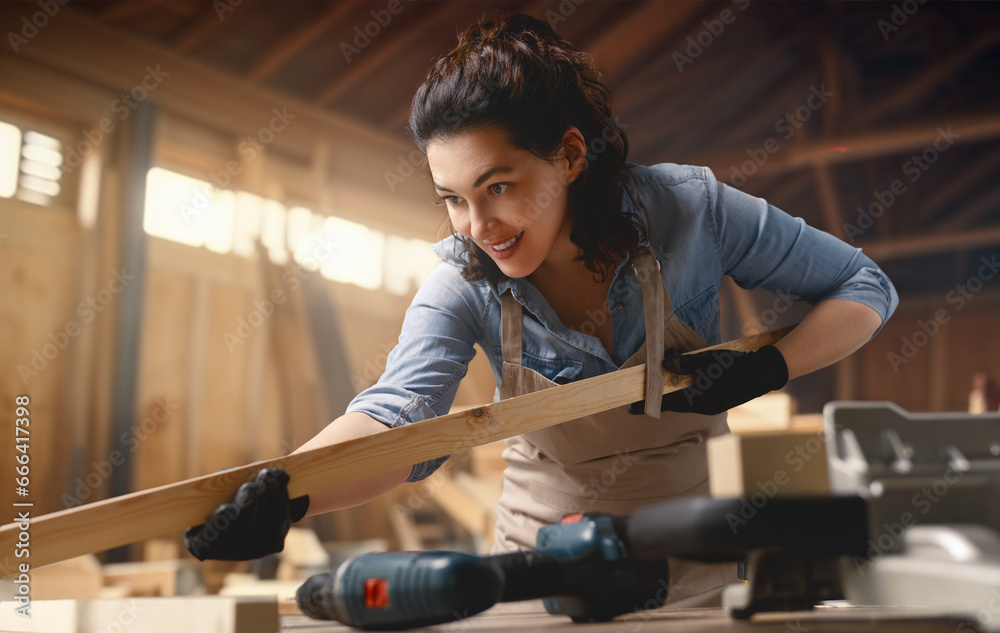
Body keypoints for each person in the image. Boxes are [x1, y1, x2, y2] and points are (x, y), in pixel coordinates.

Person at [184, 14, 898, 607]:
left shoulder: (692, 211)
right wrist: (289, 490)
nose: (478, 225)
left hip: (691, 549)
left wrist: (770, 366)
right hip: (535, 560)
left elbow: (866, 288)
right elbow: (395, 417)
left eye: (498, 186)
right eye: (454, 199)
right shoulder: (462, 276)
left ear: (570, 154)